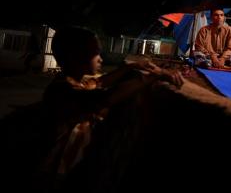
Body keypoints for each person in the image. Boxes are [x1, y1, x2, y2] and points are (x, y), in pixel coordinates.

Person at [38, 26, 183, 189]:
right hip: (60, 171)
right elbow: (105, 98)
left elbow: (100, 82)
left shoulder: (74, 81)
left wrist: (130, 67)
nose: (100, 58)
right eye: (95, 52)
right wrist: (155, 75)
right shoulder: (61, 90)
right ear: (75, 57)